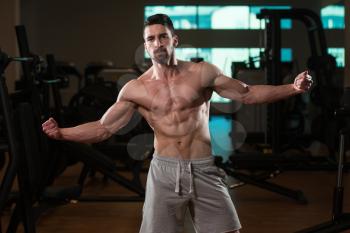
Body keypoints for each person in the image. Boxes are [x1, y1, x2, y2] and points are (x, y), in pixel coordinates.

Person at [42, 14, 313, 233]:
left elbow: (248, 94)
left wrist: (293, 87)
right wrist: (62, 133)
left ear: (175, 39)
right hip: (164, 173)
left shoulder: (202, 72)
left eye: (163, 36)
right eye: (151, 39)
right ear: (145, 46)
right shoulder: (136, 89)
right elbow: (104, 128)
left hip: (204, 169)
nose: (157, 43)